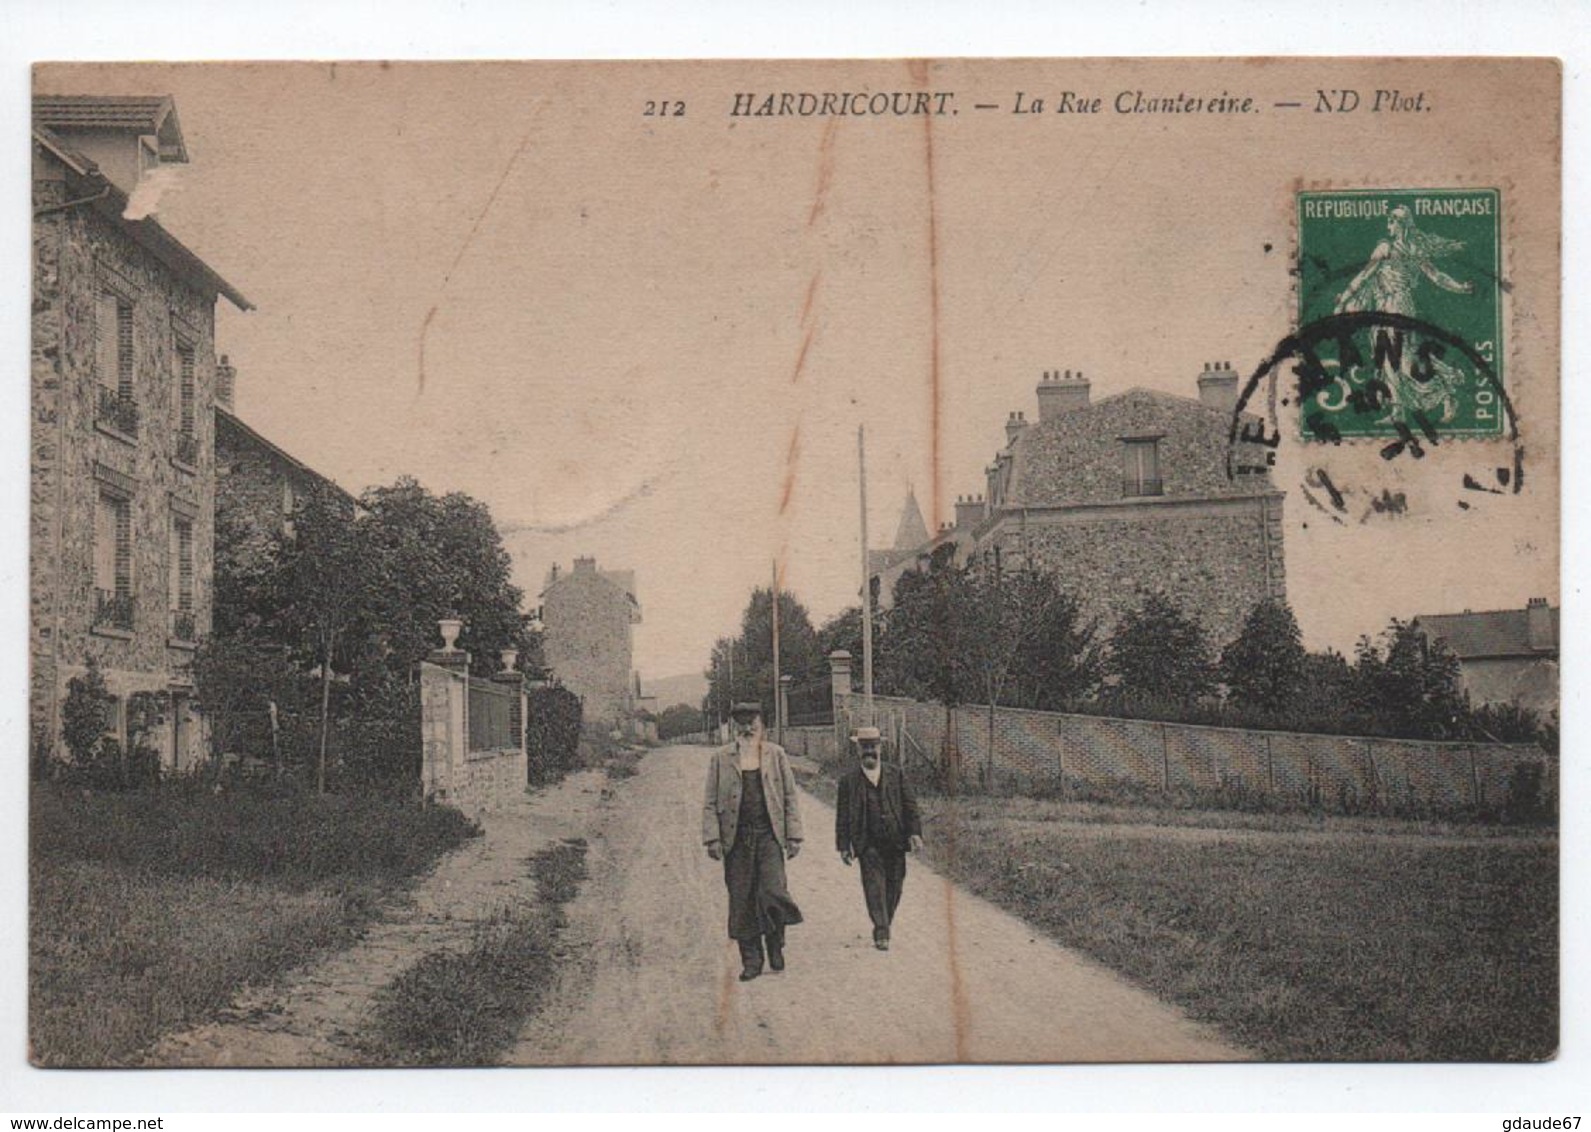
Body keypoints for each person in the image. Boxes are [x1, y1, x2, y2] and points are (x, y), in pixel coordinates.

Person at [702, 702, 804, 981]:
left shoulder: (776, 755)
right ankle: (752, 960)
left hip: (769, 835)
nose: (748, 729)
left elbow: (790, 797)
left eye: (753, 724)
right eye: (742, 724)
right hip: (736, 839)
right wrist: (712, 838)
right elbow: (710, 801)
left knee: (773, 891)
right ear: (735, 727)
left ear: (762, 727)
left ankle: (775, 943)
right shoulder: (721, 758)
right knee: (742, 897)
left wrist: (794, 835)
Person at [834, 727, 923, 951]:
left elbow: (910, 806)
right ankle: (881, 930)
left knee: (895, 885)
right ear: (858, 749)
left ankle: (885, 921)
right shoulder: (848, 781)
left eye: (873, 746)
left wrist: (914, 833)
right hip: (867, 843)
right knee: (874, 885)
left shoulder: (896, 774)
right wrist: (844, 846)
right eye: (865, 747)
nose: (869, 751)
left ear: (880, 748)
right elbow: (842, 816)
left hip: (895, 841)